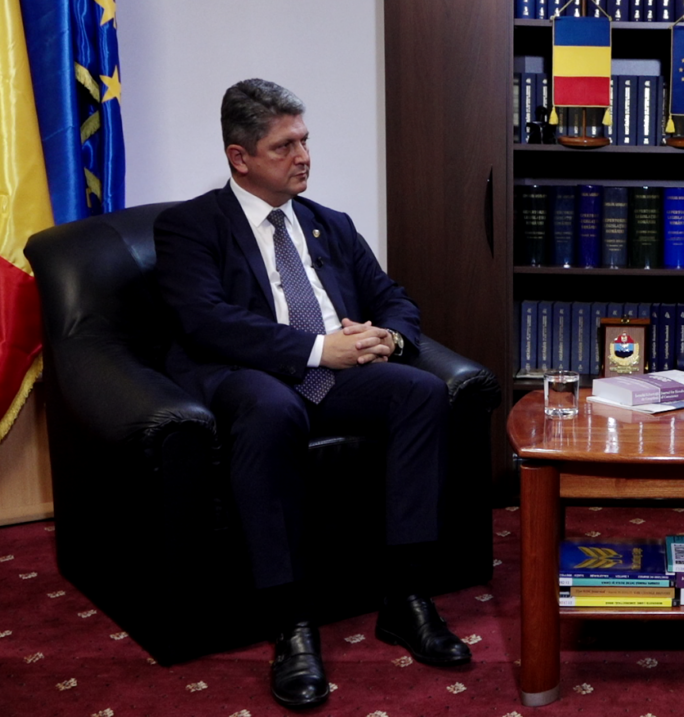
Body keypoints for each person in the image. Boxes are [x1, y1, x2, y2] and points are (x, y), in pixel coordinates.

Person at [154, 79, 470, 710]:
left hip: (338, 371)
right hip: (247, 372)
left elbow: (393, 297)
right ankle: (291, 622)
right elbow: (206, 320)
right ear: (240, 157)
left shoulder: (330, 224)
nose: (303, 156)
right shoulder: (189, 226)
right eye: (284, 146)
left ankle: (405, 598)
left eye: (304, 140)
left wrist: (387, 337)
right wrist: (320, 349)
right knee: (270, 410)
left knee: (420, 393)